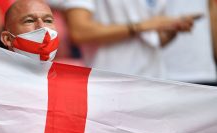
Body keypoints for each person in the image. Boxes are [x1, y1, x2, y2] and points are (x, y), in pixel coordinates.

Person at [62, 0, 198, 78]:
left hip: (155, 81)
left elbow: (153, 40)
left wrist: (172, 29)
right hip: (110, 83)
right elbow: (79, 31)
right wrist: (141, 26)